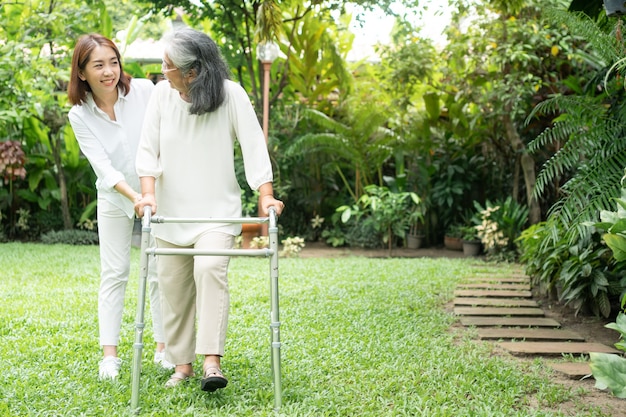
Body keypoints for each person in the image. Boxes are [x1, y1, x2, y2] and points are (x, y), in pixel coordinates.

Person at [134, 27, 285, 392]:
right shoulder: (160, 95)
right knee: (173, 287)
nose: (162, 70)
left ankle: (211, 361)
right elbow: (147, 150)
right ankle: (182, 365)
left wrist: (265, 194)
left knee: (210, 268)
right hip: (171, 211)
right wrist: (148, 194)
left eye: (168, 65)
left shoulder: (231, 95)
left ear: (193, 72)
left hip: (217, 210)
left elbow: (253, 146)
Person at [67, 33, 174, 380]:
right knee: (114, 274)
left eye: (113, 62)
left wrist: (149, 193)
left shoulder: (144, 90)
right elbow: (104, 167)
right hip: (115, 195)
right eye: (98, 65)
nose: (109, 71)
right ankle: (109, 356)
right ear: (82, 72)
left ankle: (163, 348)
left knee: (159, 271)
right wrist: (134, 197)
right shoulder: (79, 114)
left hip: (155, 192)